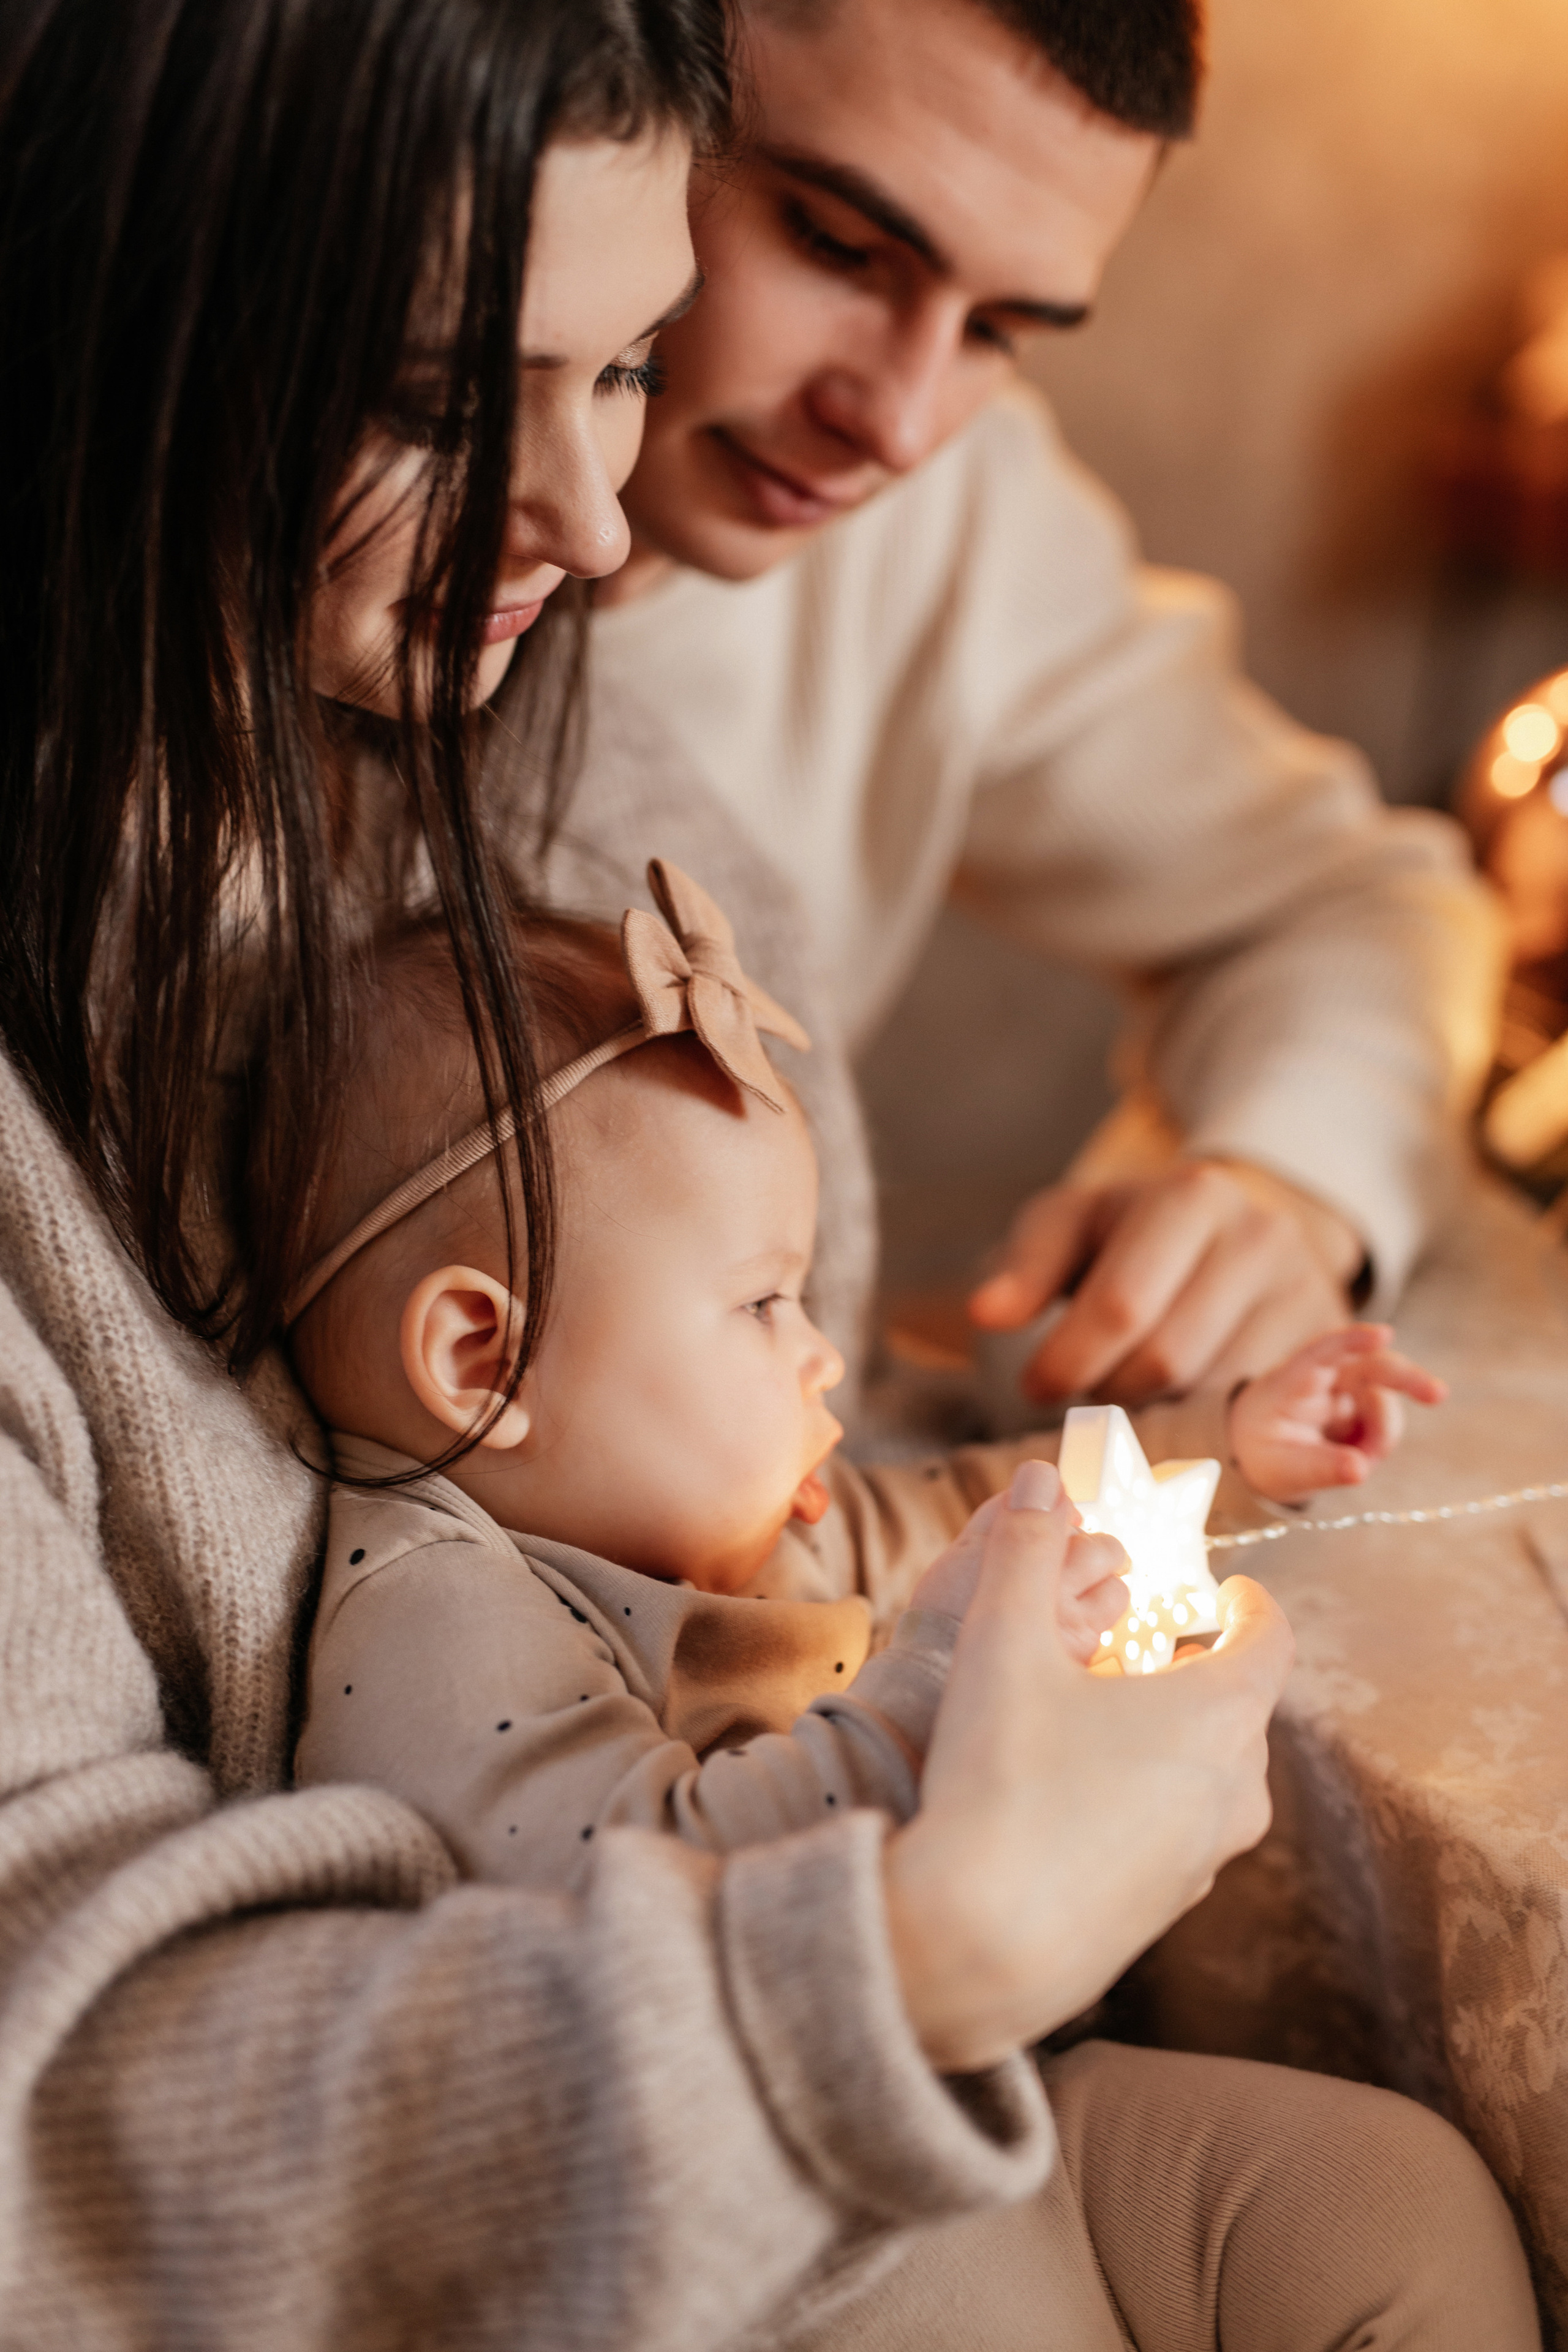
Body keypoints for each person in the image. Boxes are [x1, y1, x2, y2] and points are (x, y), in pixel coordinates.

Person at [0, 5, 1539, 2348]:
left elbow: (779, 1518)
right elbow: (77, 2131)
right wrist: (939, 1927)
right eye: (831, 237)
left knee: (1390, 2203)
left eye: (616, 374)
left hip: (844, 2076)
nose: (908, 419)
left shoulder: (551, 709)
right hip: (587, 2147)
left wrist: (1218, 1309)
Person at [564, 0, 1506, 1413]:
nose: (895, 423)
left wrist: (1285, 1183)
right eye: (834, 243)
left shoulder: (956, 514)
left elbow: (1363, 901)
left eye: (1000, 327)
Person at [286, 867, 1446, 1893]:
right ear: (481, 1365)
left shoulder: (713, 1522)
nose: (824, 1352)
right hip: (783, 2109)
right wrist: (944, 1676)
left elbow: (970, 1515)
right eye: (761, 1303)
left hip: (973, 2046)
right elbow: (640, 1885)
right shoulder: (438, 1616)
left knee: (1381, 2152)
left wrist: (1229, 1443)